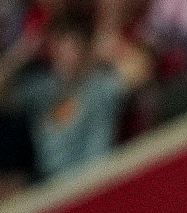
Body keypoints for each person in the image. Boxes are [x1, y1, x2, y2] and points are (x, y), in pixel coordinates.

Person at [0, 8, 150, 179]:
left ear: (86, 48)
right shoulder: (41, 90)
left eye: (75, 48)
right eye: (61, 49)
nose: (69, 57)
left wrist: (107, 45)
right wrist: (22, 52)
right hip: (52, 190)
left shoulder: (100, 84)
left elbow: (140, 69)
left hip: (97, 181)